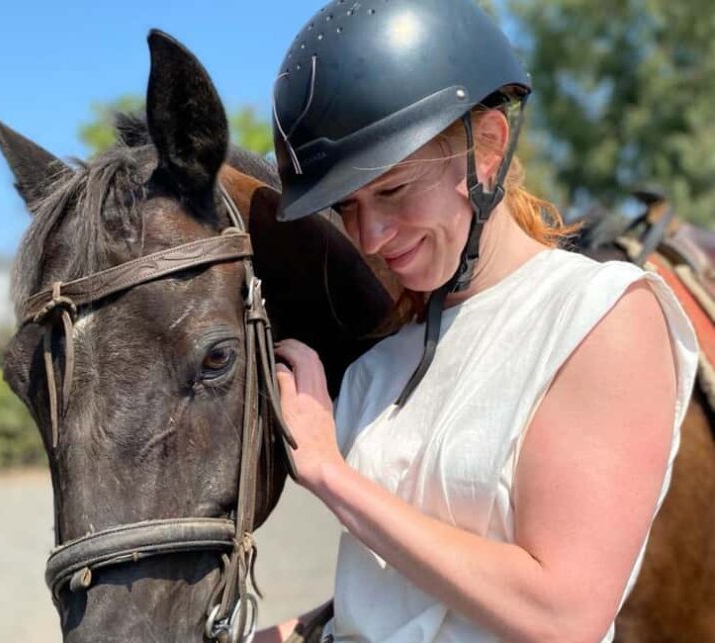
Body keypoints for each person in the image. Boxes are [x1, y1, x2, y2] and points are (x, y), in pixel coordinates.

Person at [257, 1, 699, 641]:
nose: (369, 236)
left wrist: (331, 474)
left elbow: (561, 614)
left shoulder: (600, 316)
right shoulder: (384, 362)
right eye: (348, 206)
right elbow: (401, 599)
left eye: (391, 190)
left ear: (486, 147)